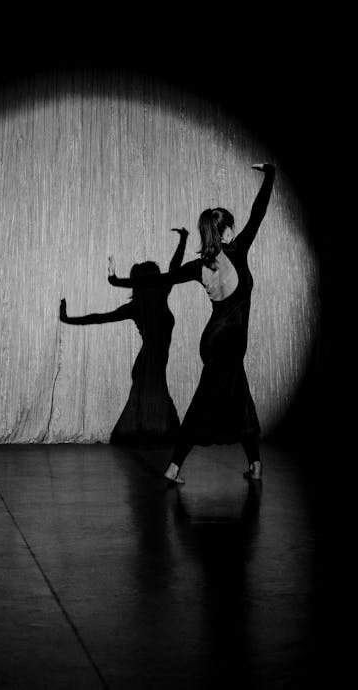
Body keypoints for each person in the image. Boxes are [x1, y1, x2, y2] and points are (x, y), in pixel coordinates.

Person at [108, 162, 276, 483]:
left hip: (215, 340)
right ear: (226, 231)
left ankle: (255, 464)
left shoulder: (199, 266)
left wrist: (117, 280)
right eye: (232, 227)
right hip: (229, 342)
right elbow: (259, 211)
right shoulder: (238, 251)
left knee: (240, 399)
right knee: (206, 401)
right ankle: (174, 466)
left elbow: (162, 279)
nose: (235, 230)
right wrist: (270, 174)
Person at [59, 229, 190, 445]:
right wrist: (67, 318)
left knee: (154, 402)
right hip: (151, 362)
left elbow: (99, 318)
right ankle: (157, 441)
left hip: (151, 362)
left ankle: (154, 441)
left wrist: (184, 240)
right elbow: (99, 317)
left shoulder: (143, 303)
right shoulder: (154, 298)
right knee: (156, 402)